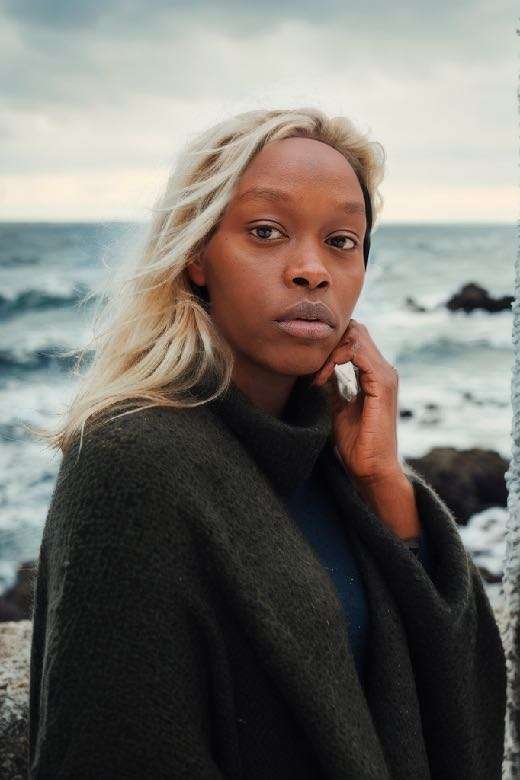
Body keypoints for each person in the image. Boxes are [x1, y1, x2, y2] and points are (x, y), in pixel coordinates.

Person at [28, 107, 506, 778]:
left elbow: (457, 695)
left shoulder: (334, 459)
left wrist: (384, 482)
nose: (312, 269)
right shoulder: (130, 459)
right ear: (196, 254)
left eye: (342, 240)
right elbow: (114, 749)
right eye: (265, 231)